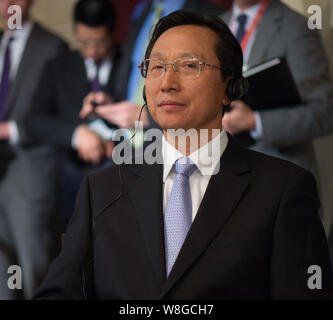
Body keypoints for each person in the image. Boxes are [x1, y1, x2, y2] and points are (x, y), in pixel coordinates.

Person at [35, 10, 333, 299]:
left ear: (229, 88)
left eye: (190, 65)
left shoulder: (282, 190)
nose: (167, 83)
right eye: (156, 67)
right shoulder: (101, 190)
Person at [80, 0, 226, 144]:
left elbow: (214, 100)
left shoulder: (214, 17)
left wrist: (150, 117)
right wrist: (111, 104)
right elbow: (133, 79)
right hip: (130, 148)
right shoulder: (142, 12)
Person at [25, 0, 117, 222]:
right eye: (84, 42)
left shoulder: (131, 63)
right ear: (75, 30)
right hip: (71, 180)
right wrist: (76, 134)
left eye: (100, 42)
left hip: (121, 177)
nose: (92, 51)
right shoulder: (58, 68)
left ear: (113, 33)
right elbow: (33, 121)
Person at [0, 0, 68, 299]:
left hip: (31, 174)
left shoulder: (54, 48)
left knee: (34, 270)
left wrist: (12, 130)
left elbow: (63, 118)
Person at [220, 0, 333, 174]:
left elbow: (325, 112)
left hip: (280, 175)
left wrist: (254, 121)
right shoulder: (212, 26)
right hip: (224, 173)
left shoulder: (296, 26)